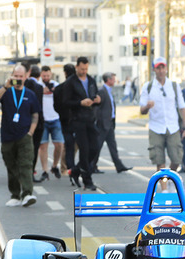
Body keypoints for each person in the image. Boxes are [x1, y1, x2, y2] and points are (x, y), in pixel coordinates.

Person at [0, 64, 40, 206]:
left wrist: (30, 132)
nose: (18, 79)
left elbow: (35, 115)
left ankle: (27, 194)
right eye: (15, 76)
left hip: (24, 136)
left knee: (26, 165)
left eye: (21, 76)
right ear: (12, 76)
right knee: (11, 166)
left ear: (26, 77)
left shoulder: (30, 94)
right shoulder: (6, 92)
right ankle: (15, 194)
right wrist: (6, 86)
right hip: (7, 136)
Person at [140, 56, 185, 191]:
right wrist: (147, 107)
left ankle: (169, 179)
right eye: (158, 68)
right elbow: (142, 110)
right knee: (159, 159)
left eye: (163, 68)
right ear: (154, 70)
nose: (161, 71)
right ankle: (164, 189)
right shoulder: (148, 87)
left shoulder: (173, 86)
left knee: (177, 158)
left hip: (173, 127)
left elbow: (182, 107)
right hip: (156, 127)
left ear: (166, 69)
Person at [64, 56, 102, 190]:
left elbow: (95, 96)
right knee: (84, 150)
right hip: (77, 120)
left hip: (90, 119)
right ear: (77, 67)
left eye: (86, 69)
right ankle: (87, 179)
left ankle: (76, 170)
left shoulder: (91, 80)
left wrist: (97, 100)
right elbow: (65, 102)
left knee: (95, 147)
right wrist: (79, 103)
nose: (84, 71)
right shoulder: (71, 82)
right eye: (82, 69)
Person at [95, 71, 131, 174]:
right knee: (98, 146)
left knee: (112, 146)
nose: (115, 81)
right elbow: (97, 108)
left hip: (109, 123)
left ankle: (119, 166)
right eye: (113, 79)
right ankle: (91, 165)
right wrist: (100, 121)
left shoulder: (109, 90)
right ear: (108, 80)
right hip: (103, 124)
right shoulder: (102, 91)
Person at [36, 65, 64, 182]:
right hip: (43, 119)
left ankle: (54, 166)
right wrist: (42, 91)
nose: (46, 78)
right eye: (44, 76)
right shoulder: (37, 86)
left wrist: (54, 91)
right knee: (43, 146)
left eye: (48, 76)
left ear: (51, 75)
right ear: (41, 75)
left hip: (55, 118)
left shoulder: (56, 85)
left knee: (59, 144)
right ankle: (45, 170)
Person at [52, 63, 77, 181]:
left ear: (65, 73)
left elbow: (55, 106)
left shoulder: (59, 88)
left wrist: (62, 113)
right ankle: (68, 167)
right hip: (76, 118)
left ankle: (67, 167)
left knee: (68, 144)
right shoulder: (78, 86)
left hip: (65, 119)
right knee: (75, 144)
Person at [25, 65, 46, 182]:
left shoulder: (24, 84)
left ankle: (22, 173)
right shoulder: (39, 87)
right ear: (39, 75)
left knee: (24, 148)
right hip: (37, 122)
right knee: (34, 148)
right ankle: (31, 173)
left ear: (29, 73)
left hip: (24, 122)